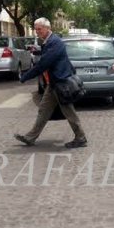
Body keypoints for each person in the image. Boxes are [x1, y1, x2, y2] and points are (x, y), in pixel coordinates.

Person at [14, 17, 87, 148]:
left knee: (69, 112)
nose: (37, 32)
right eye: (35, 29)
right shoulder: (48, 42)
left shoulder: (55, 42)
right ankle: (30, 137)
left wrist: (25, 77)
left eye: (39, 29)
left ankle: (81, 137)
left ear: (48, 28)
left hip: (61, 84)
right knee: (43, 110)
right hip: (53, 84)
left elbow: (43, 64)